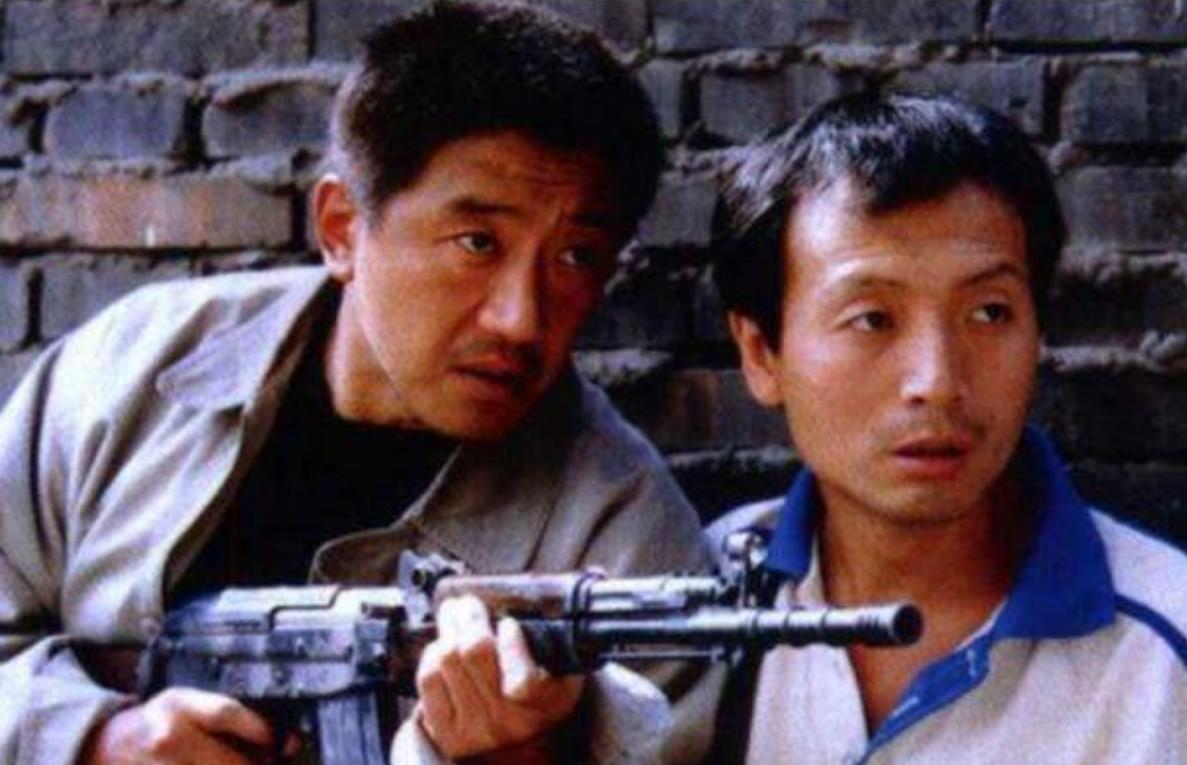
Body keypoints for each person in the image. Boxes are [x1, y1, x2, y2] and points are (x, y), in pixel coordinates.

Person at [0, 3, 711, 764]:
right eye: (477, 242)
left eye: (576, 257)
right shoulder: (130, 372)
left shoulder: (626, 537)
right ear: (341, 228)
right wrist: (93, 738)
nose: (520, 318)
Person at [706, 93, 1187, 763]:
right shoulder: (694, 600)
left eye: (989, 313)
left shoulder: (1166, 650)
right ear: (762, 353)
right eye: (872, 319)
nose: (936, 380)